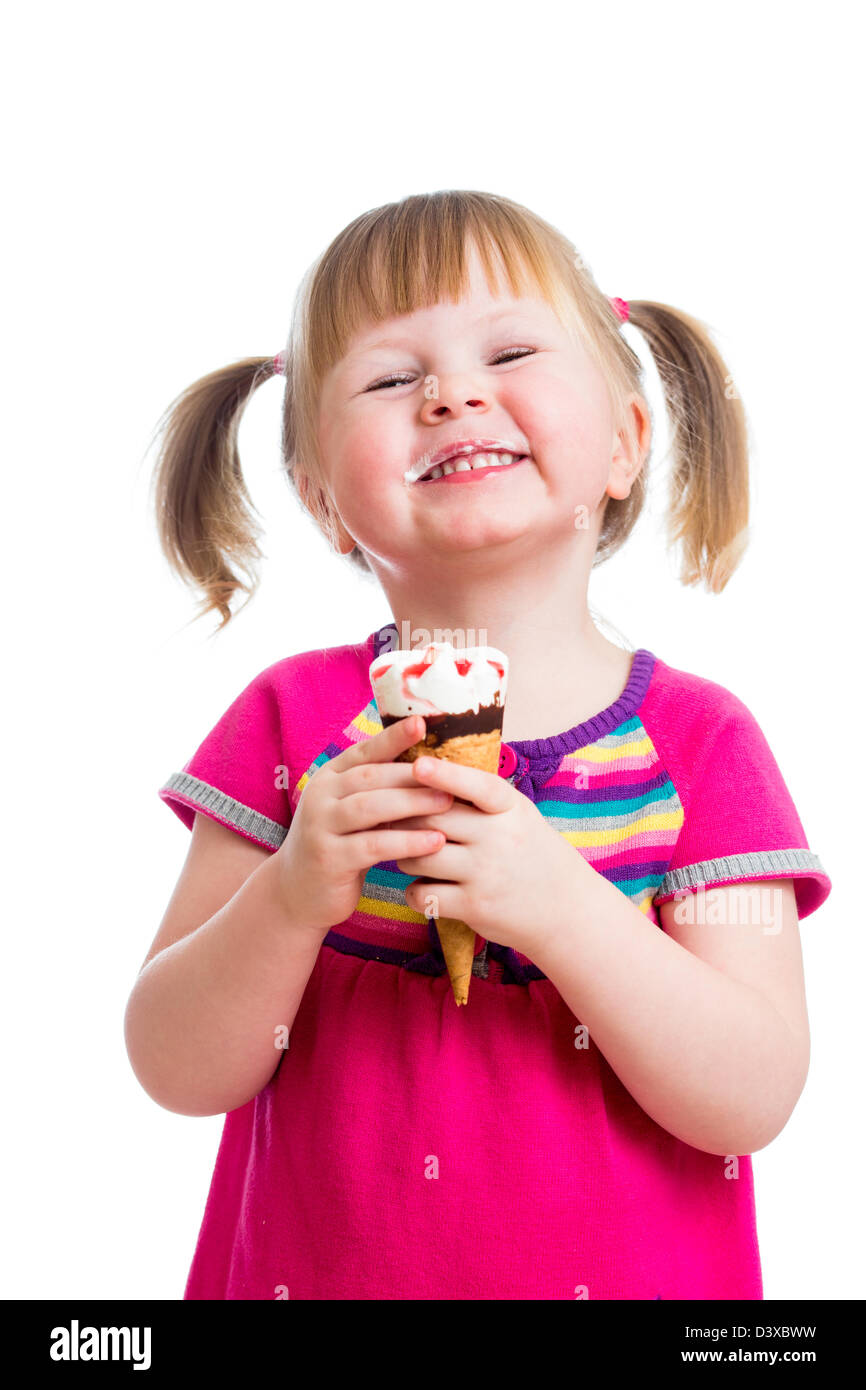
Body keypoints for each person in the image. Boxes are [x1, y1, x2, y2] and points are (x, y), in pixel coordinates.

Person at [124, 189, 832, 1300]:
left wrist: (560, 906)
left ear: (625, 442)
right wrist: (290, 896)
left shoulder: (702, 745)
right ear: (319, 498)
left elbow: (749, 1096)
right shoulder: (292, 727)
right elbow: (175, 1065)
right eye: (390, 377)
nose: (451, 393)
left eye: (507, 350)